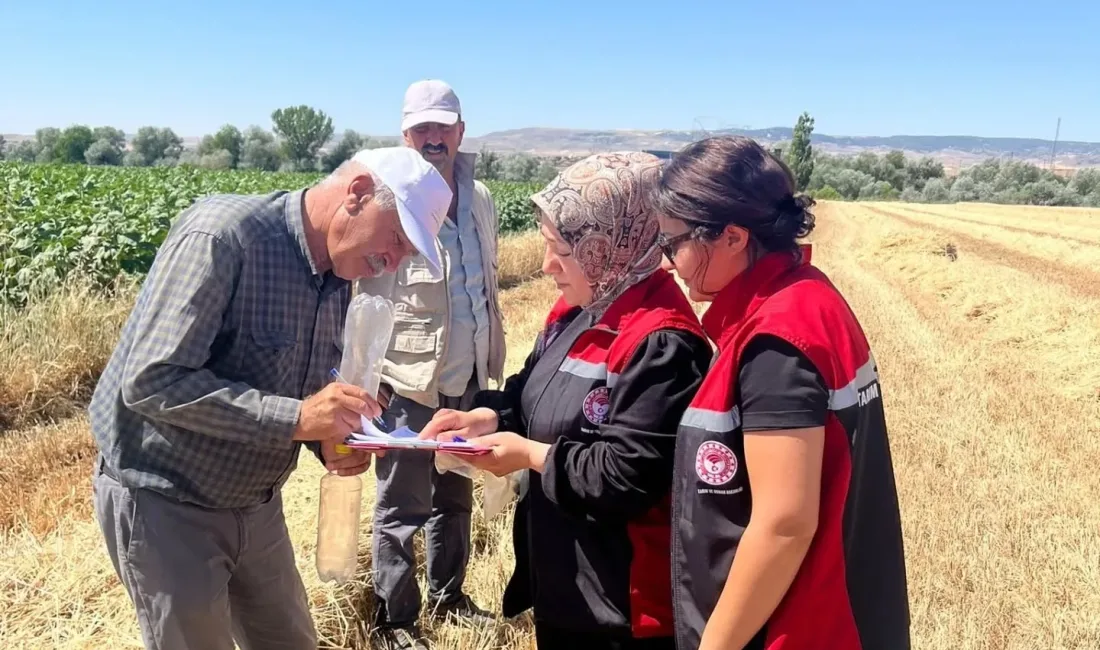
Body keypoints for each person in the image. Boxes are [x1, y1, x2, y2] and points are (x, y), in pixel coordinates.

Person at [88, 146, 453, 650]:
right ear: (358, 194)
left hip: (255, 502)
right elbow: (151, 380)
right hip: (168, 501)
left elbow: (297, 384)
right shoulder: (224, 236)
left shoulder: (340, 273)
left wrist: (329, 433)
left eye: (407, 254)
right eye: (396, 239)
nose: (392, 261)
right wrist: (300, 417)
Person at [420, 152, 713, 650]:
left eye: (562, 250)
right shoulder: (580, 307)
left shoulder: (662, 342)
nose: (545, 265)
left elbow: (624, 477)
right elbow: (532, 388)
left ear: (610, 245)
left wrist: (529, 455)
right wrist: (488, 417)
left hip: (620, 606)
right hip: (567, 582)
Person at [652, 136, 910, 650]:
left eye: (673, 243)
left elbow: (784, 525)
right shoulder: (809, 295)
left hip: (800, 627)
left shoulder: (775, 341)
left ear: (731, 236)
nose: (668, 263)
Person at [352, 79, 505, 649]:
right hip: (409, 381)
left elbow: (486, 285)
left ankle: (451, 596)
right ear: (405, 132)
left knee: (455, 495)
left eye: (444, 126)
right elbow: (364, 300)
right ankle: (395, 620)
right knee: (401, 506)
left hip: (468, 376)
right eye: (423, 128)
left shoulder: (481, 197)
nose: (434, 137)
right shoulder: (386, 197)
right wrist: (368, 381)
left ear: (461, 131)